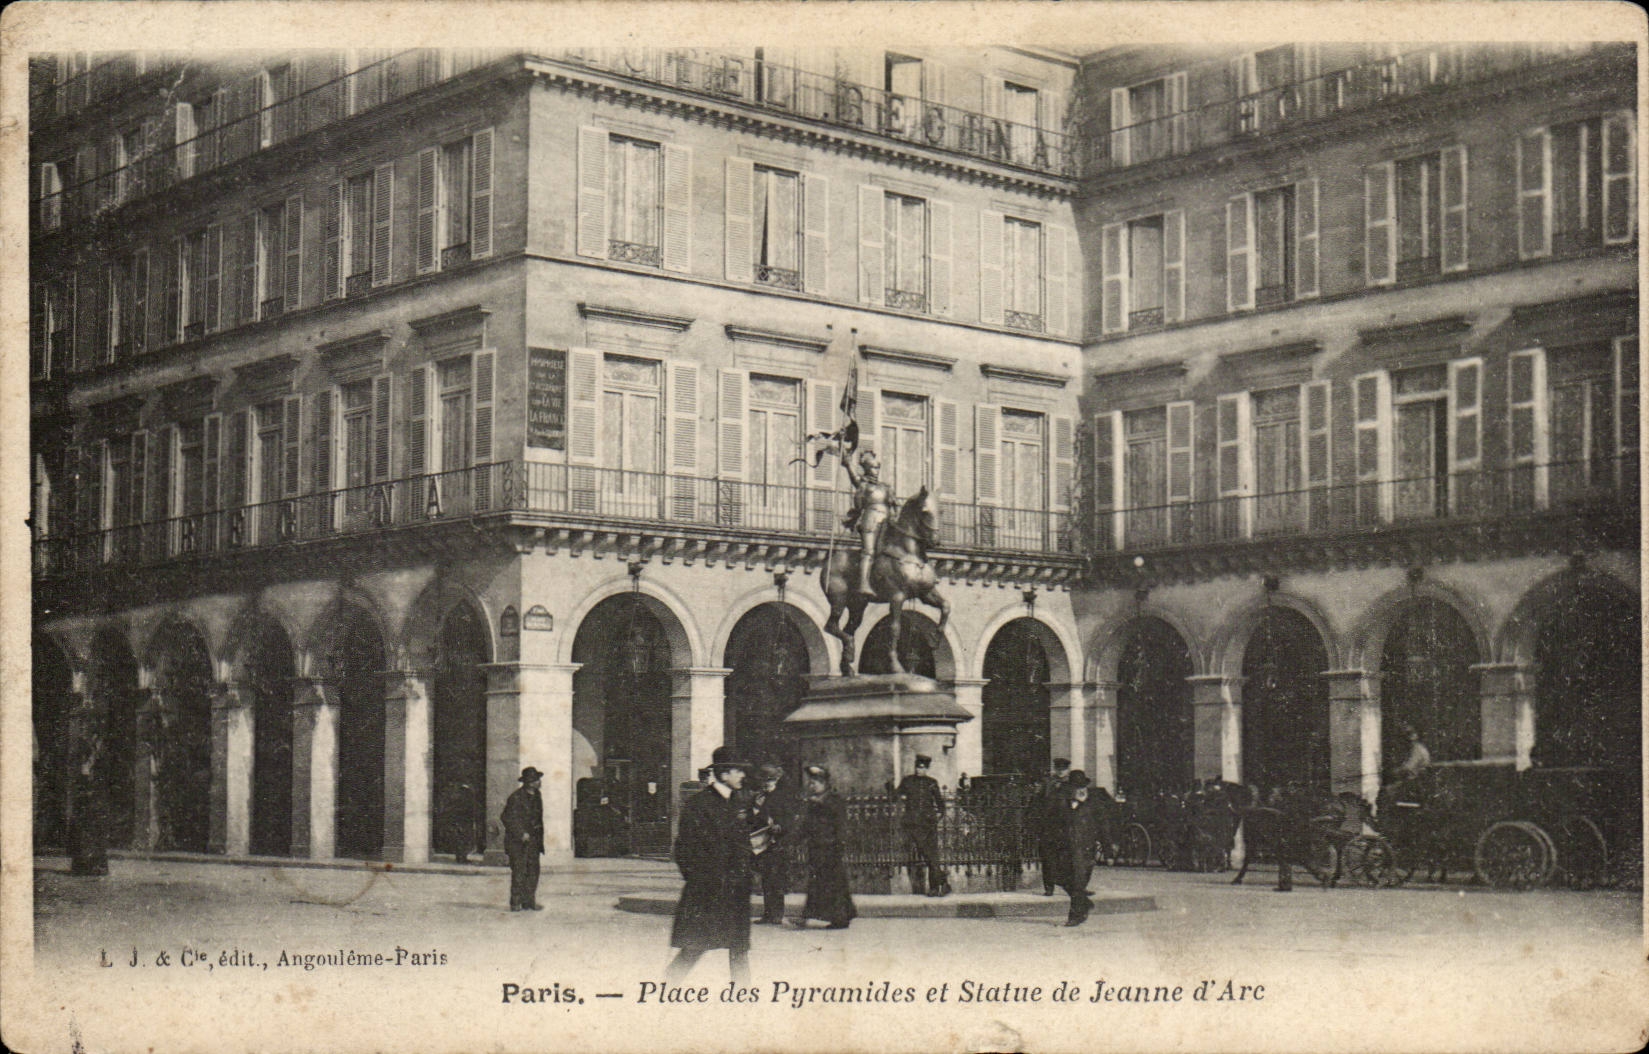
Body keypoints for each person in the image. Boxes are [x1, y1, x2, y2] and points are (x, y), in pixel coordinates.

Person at [667, 746, 755, 985]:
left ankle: (745, 998)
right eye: (738, 771)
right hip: (707, 889)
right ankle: (665, 988)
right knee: (694, 947)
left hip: (736, 888)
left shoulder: (739, 802)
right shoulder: (699, 805)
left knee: (738, 948)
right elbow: (684, 849)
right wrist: (701, 879)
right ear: (724, 774)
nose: (742, 776)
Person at [795, 765, 856, 930]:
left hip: (830, 849)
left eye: (815, 782)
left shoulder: (834, 801)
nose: (811, 786)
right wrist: (795, 840)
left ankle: (839, 918)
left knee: (833, 884)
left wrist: (840, 846)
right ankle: (829, 916)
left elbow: (841, 826)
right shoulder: (814, 802)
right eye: (810, 782)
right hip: (816, 849)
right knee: (819, 883)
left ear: (824, 783)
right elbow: (807, 826)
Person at [750, 763, 799, 925]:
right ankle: (768, 914)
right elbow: (757, 819)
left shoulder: (782, 796)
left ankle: (776, 914)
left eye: (770, 780)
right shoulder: (761, 797)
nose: (766, 783)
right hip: (765, 843)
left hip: (778, 843)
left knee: (776, 880)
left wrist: (780, 826)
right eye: (764, 780)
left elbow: (790, 820)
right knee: (767, 880)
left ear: (777, 779)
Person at [896, 754, 949, 897]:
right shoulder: (908, 781)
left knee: (931, 854)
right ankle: (943, 883)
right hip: (913, 823)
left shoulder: (931, 782)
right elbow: (897, 794)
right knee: (929, 854)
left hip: (928, 824)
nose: (920, 770)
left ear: (927, 768)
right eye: (918, 767)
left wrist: (938, 816)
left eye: (923, 768)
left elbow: (940, 803)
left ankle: (934, 888)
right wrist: (891, 789)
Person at [841, 448, 892, 597]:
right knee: (868, 551)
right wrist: (848, 462)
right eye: (873, 467)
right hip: (870, 520)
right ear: (867, 469)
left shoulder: (885, 487)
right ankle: (863, 582)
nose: (876, 470)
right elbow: (854, 476)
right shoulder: (864, 485)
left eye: (877, 467)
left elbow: (893, 505)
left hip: (887, 520)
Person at [1059, 771, 1104, 926]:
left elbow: (1104, 827)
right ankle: (1084, 903)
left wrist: (1109, 851)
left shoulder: (1093, 805)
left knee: (1078, 883)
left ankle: (1075, 916)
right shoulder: (1063, 804)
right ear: (1070, 788)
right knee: (1061, 879)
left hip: (1085, 850)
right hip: (1067, 850)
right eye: (1077, 786)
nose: (1081, 789)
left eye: (1083, 786)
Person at [501, 767, 545, 910]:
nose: (539, 782)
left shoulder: (537, 795)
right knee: (519, 871)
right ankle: (515, 902)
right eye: (536, 780)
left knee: (533, 871)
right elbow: (507, 817)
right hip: (518, 842)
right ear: (529, 782)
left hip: (534, 840)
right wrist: (521, 833)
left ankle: (529, 901)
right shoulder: (516, 797)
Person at [1035, 757, 1072, 895]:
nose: (1061, 772)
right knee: (1048, 857)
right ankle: (1049, 887)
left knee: (1066, 857)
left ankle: (1067, 884)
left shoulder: (1071, 784)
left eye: (1063, 769)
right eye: (1058, 769)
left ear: (1068, 770)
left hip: (1066, 826)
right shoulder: (1048, 783)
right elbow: (1038, 802)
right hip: (1048, 826)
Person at [437, 779, 482, 864]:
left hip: (460, 820)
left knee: (461, 839)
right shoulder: (465, 795)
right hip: (464, 820)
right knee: (463, 839)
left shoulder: (456, 795)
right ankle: (462, 858)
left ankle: (461, 857)